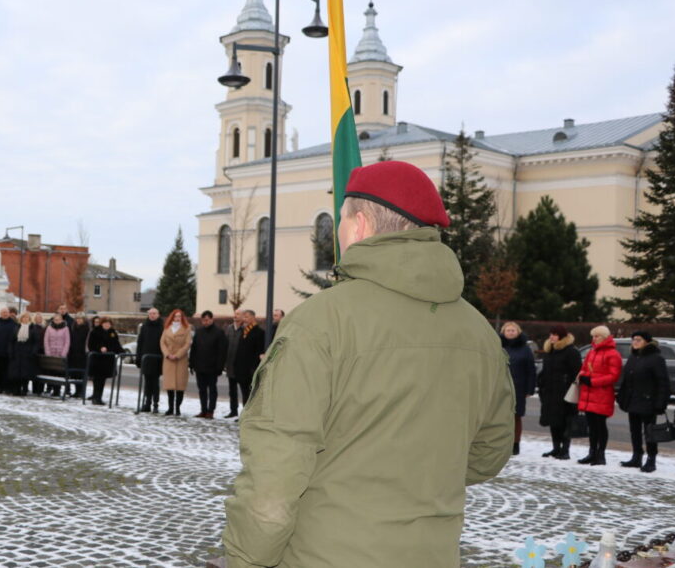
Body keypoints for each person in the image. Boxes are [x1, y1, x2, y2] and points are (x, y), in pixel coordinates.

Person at [223, 160, 514, 567]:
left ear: (359, 226)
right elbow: (489, 454)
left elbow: (275, 476)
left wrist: (244, 561)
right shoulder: (480, 333)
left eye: (340, 220)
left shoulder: (319, 322)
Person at [616, 331, 669, 472]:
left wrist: (660, 403)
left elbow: (662, 382)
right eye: (633, 340)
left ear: (647, 341)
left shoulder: (656, 358)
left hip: (648, 401)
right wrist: (622, 397)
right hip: (633, 400)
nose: (635, 342)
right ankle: (636, 456)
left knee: (650, 432)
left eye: (638, 340)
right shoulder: (634, 357)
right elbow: (626, 380)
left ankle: (651, 459)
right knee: (634, 431)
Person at [577, 325, 622, 466]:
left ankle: (601, 454)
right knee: (591, 425)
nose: (594, 339)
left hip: (602, 394)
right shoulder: (591, 352)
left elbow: (613, 376)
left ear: (604, 337)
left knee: (600, 425)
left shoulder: (613, 354)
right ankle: (592, 452)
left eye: (597, 336)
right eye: (593, 336)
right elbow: (584, 368)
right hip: (589, 394)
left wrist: (592, 381)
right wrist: (583, 377)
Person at [537, 325, 581, 460]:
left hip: (565, 393)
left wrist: (571, 388)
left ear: (561, 336)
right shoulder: (550, 351)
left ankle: (565, 449)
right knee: (553, 420)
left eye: (555, 334)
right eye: (550, 334)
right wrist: (541, 384)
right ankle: (556, 448)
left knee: (565, 421)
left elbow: (576, 372)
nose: (551, 337)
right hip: (550, 392)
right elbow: (545, 371)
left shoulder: (571, 351)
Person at [500, 322, 536, 455]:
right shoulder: (499, 347)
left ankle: (515, 444)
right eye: (508, 330)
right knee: (500, 417)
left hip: (518, 388)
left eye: (513, 330)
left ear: (518, 332)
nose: (510, 332)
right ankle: (501, 443)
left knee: (516, 417)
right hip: (500, 388)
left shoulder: (525, 349)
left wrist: (530, 389)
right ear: (503, 332)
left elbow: (531, 370)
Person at [190, 310, 227, 419]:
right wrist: (192, 363)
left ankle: (211, 411)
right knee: (202, 390)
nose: (205, 322)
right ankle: (203, 410)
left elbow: (222, 351)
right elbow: (194, 348)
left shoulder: (219, 332)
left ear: (211, 319)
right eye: (203, 320)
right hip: (199, 366)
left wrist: (220, 367)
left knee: (212, 389)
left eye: (207, 320)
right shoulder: (199, 331)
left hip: (212, 367)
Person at [158, 309, 192, 416]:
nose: (177, 318)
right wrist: (167, 354)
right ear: (172, 317)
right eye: (175, 316)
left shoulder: (187, 329)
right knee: (170, 386)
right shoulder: (167, 328)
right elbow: (162, 342)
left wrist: (177, 355)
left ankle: (177, 408)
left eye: (179, 316)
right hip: (168, 360)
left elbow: (187, 344)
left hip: (180, 359)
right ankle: (170, 408)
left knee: (180, 386)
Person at [231, 309, 265, 412]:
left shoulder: (259, 332)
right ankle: (245, 412)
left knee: (251, 393)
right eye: (244, 317)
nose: (244, 319)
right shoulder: (244, 331)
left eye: (246, 317)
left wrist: (254, 367)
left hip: (250, 369)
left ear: (253, 317)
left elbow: (258, 351)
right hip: (241, 368)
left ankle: (250, 413)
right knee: (244, 392)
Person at [87, 316, 123, 406]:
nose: (107, 325)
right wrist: (99, 348)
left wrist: (122, 351)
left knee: (102, 380)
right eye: (105, 323)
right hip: (97, 360)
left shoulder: (113, 333)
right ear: (102, 323)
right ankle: (96, 397)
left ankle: (99, 397)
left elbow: (116, 345)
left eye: (109, 323)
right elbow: (90, 345)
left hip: (107, 361)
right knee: (97, 379)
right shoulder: (95, 331)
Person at [135, 308, 164, 413]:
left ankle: (156, 404)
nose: (152, 315)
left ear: (158, 314)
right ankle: (147, 403)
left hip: (157, 358)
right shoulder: (144, 326)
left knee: (155, 382)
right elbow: (140, 342)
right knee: (147, 382)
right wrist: (138, 358)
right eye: (150, 314)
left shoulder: (162, 327)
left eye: (154, 313)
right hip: (146, 358)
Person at [9, 313, 42, 396]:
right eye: (24, 317)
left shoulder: (32, 328)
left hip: (27, 354)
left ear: (29, 319)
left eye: (27, 317)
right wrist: (11, 351)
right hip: (17, 353)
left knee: (25, 373)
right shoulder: (17, 327)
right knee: (16, 373)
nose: (25, 319)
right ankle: (16, 389)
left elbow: (36, 342)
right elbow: (11, 341)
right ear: (21, 318)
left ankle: (25, 389)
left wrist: (33, 352)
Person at [43, 312, 70, 396]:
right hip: (51, 353)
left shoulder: (66, 328)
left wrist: (64, 353)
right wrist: (48, 352)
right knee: (52, 372)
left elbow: (67, 341)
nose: (57, 321)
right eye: (55, 320)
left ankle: (57, 390)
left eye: (58, 320)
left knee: (59, 373)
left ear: (61, 320)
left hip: (61, 354)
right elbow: (46, 340)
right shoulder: (49, 328)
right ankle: (51, 389)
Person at [223, 309, 243, 418]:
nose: (235, 316)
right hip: (230, 364)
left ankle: (245, 412)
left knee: (244, 390)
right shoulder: (229, 328)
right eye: (235, 314)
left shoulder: (245, 329)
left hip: (241, 364)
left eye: (238, 314)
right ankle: (233, 410)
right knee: (232, 390)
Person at [67, 314, 90, 399]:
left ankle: (81, 391)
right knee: (75, 374)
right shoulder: (73, 328)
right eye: (77, 319)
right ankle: (77, 391)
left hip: (82, 354)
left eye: (80, 319)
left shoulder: (86, 329)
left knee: (82, 374)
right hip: (74, 353)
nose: (79, 320)